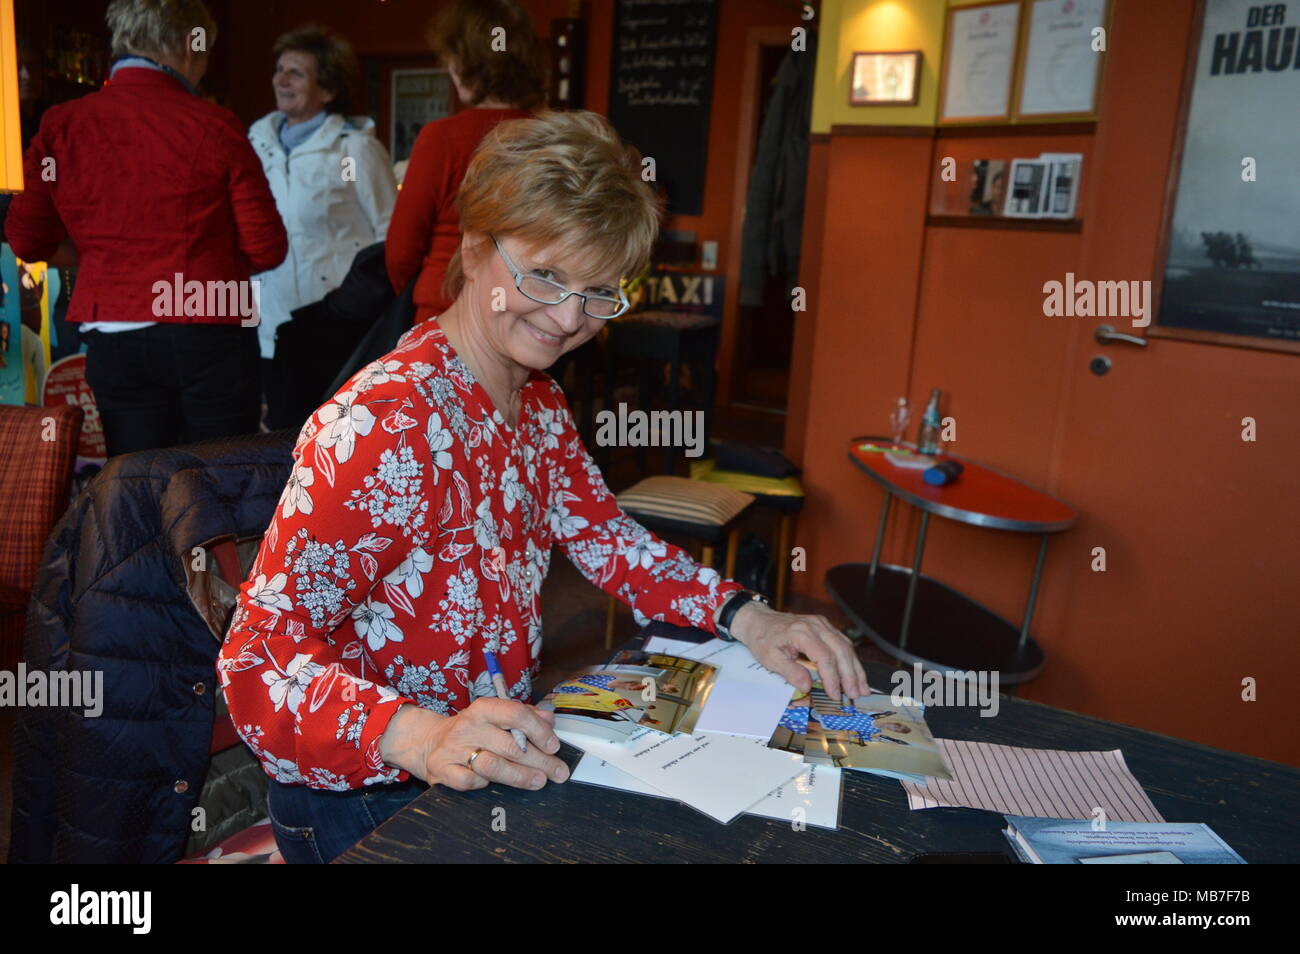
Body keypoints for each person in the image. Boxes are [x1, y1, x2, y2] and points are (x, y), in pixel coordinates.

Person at [219, 110, 868, 863]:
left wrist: (745, 615)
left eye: (598, 292)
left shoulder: (536, 402)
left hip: (489, 763)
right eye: (545, 276)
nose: (566, 319)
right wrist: (421, 737)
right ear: (472, 245)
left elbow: (606, 538)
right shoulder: (382, 426)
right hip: (374, 796)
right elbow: (254, 660)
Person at [3, 0, 287, 457]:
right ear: (186, 47)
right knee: (220, 481)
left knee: (136, 483)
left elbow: (27, 239)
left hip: (115, 331)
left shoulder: (63, 126)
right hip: (208, 322)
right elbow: (267, 247)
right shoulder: (215, 125)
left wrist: (100, 254)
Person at [248, 24, 397, 411]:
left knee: (338, 440)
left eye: (296, 72)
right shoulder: (254, 145)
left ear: (328, 89)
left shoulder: (355, 149)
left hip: (337, 329)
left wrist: (351, 304)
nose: (281, 79)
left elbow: (389, 238)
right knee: (279, 443)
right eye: (279, 69)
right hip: (272, 326)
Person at [385, 0, 547, 323]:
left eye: (451, 58)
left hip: (446, 314)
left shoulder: (441, 138)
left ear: (467, 62)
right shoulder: (552, 139)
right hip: (530, 315)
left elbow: (401, 254)